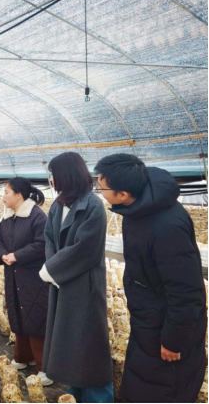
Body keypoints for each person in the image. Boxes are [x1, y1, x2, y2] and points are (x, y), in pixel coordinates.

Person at [95, 154, 207, 403]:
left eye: (102, 188)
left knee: (164, 388)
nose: (99, 192)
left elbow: (186, 290)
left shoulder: (166, 228)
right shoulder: (138, 209)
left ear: (122, 194)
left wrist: (173, 340)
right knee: (142, 383)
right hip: (149, 318)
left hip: (167, 327)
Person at [41, 152, 114, 403]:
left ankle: (98, 397)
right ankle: (76, 392)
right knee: (70, 341)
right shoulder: (58, 205)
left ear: (67, 175)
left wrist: (53, 269)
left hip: (85, 286)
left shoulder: (92, 205)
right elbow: (49, 238)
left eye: (54, 174)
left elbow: (85, 248)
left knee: (90, 345)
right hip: (61, 282)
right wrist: (53, 266)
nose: (52, 179)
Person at [0, 178, 52, 386]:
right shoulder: (8, 217)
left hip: (33, 277)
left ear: (19, 195)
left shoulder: (37, 216)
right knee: (18, 313)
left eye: (6, 192)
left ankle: (45, 368)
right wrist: (3, 254)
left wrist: (16, 256)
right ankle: (23, 356)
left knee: (36, 317)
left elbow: (42, 244)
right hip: (13, 274)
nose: (3, 196)